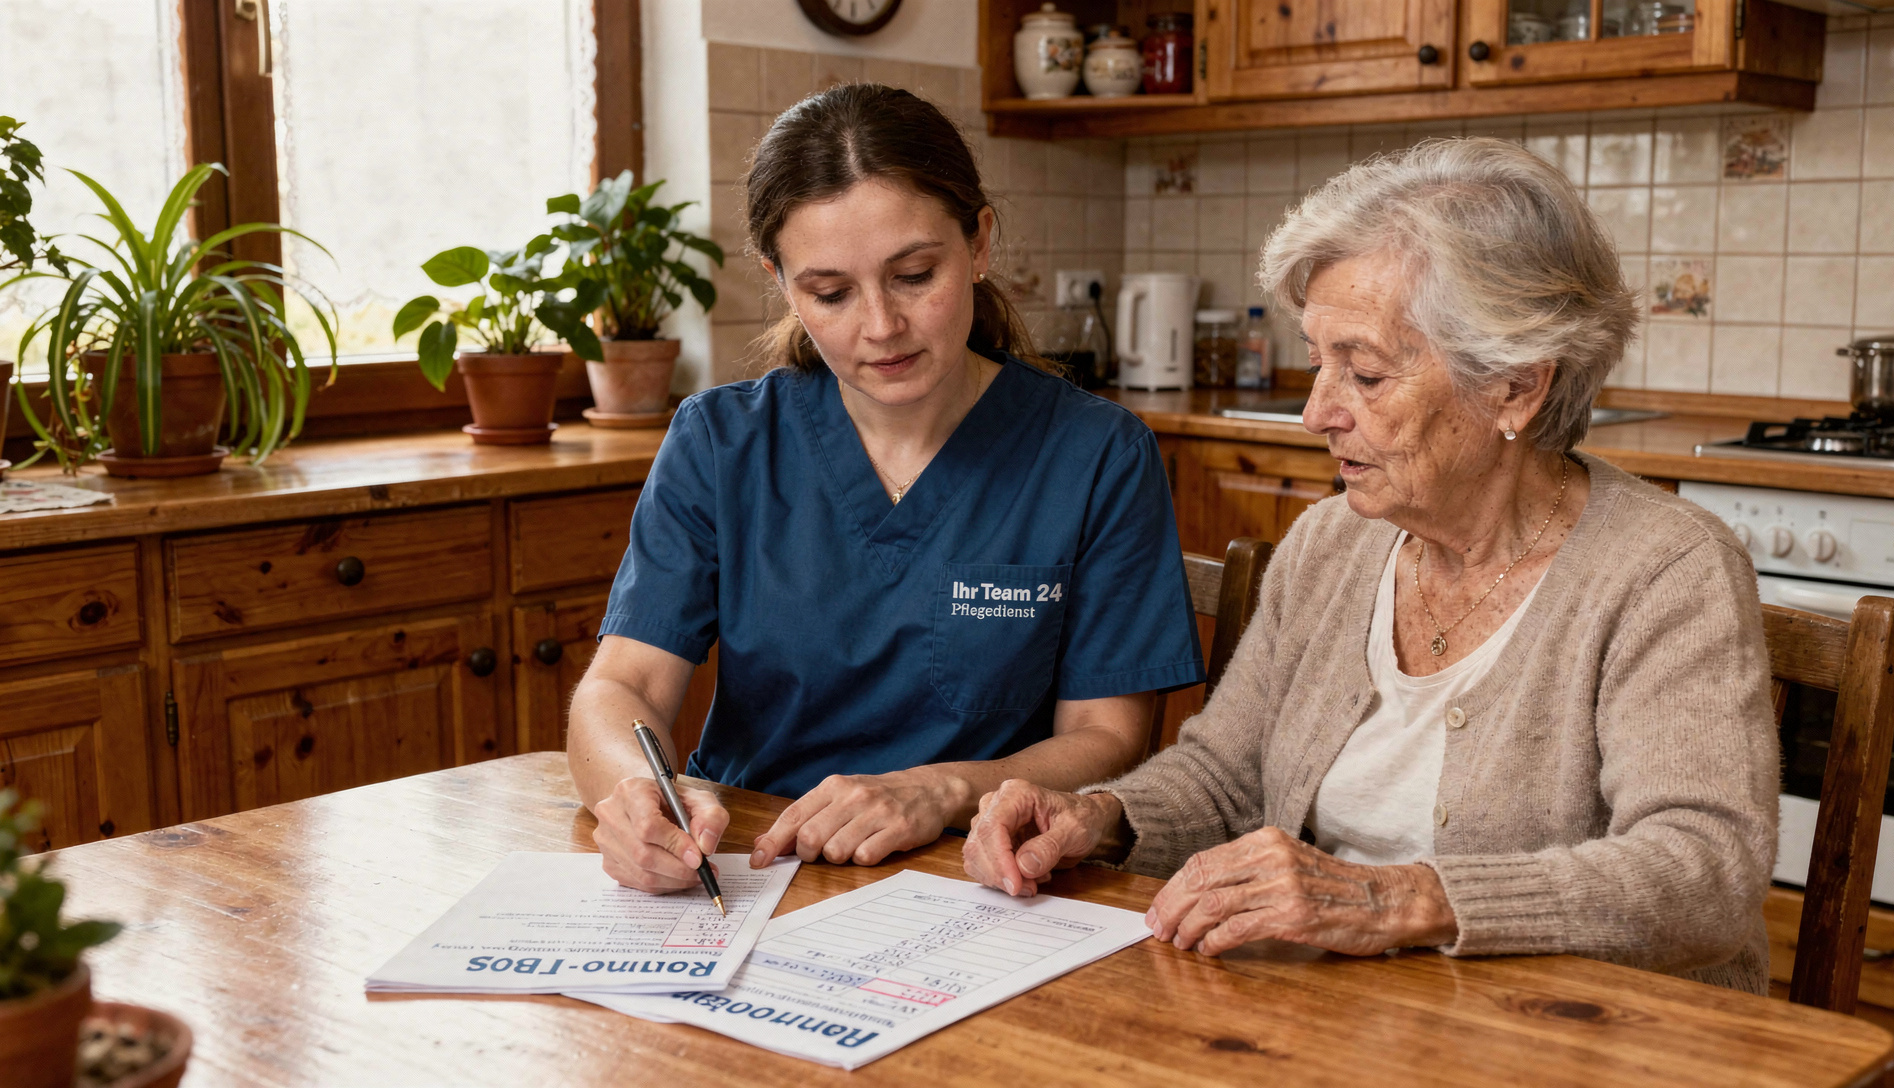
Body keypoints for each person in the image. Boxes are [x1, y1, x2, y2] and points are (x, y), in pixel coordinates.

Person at [963, 137, 1780, 994]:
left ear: (1515, 387)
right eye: (1319, 364)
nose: (1318, 411)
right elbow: (1223, 776)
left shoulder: (1666, 570)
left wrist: (1398, 901)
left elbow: (1705, 872)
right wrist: (1099, 819)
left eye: (1365, 373)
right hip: (1333, 1018)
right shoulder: (1328, 544)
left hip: (1585, 1040)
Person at [570, 84, 1204, 895]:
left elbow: (1110, 735)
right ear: (782, 281)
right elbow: (621, 684)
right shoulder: (721, 443)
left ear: (978, 242)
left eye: (913, 275)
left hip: (977, 879)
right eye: (830, 294)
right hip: (751, 869)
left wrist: (942, 790)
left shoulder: (1097, 454)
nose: (880, 326)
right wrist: (632, 793)